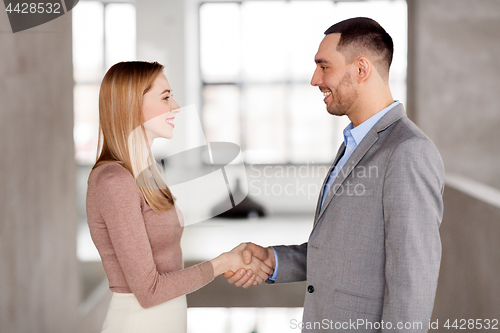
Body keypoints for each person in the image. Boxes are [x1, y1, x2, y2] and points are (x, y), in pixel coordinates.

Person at [224, 17, 445, 332]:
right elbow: (347, 251)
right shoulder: (354, 143)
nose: (315, 79)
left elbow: (413, 280)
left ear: (361, 69)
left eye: (324, 66)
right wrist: (273, 259)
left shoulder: (407, 151)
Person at [86, 61, 272, 333]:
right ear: (131, 104)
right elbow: (149, 291)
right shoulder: (115, 181)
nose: (175, 107)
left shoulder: (148, 172)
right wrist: (222, 263)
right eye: (165, 97)